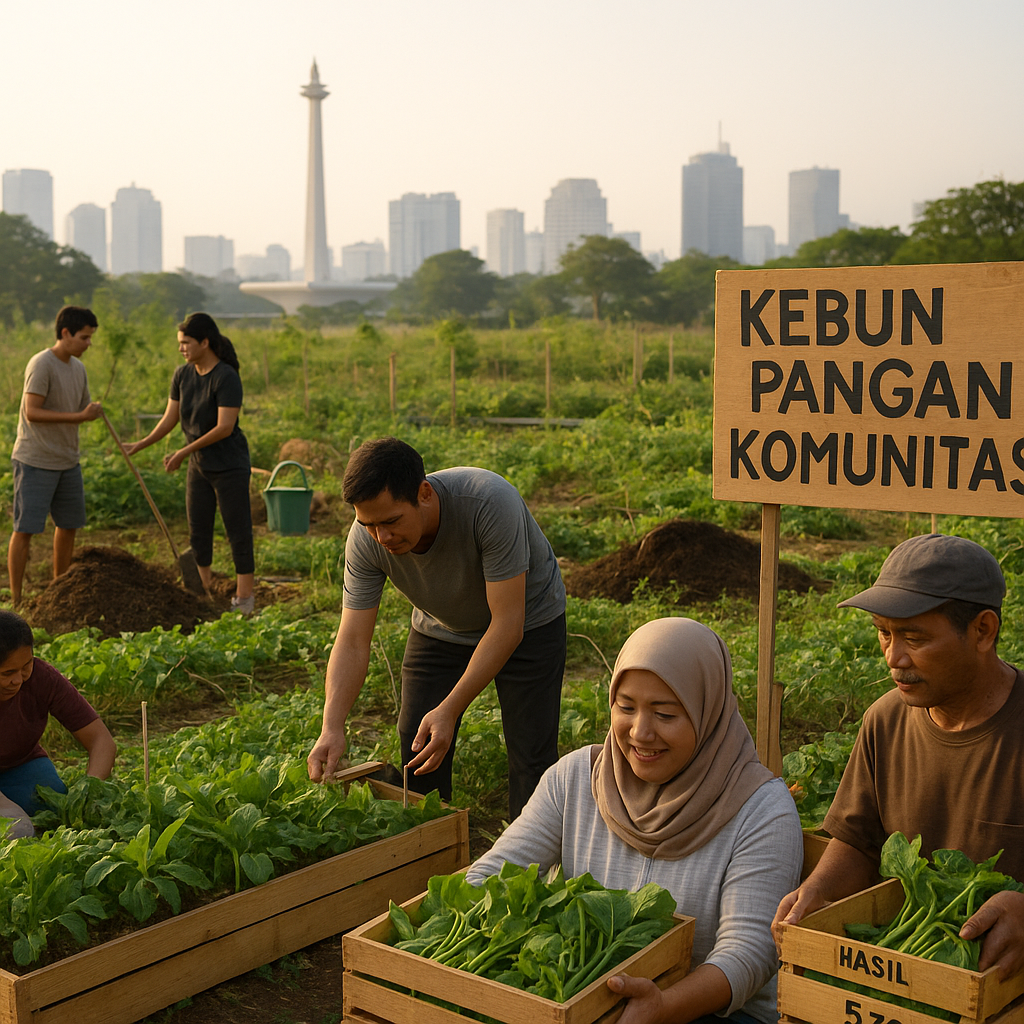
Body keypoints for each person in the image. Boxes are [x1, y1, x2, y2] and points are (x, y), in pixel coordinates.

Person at [467, 617, 802, 1024]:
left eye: (665, 715)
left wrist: (664, 1007)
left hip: (712, 1012)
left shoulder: (760, 809)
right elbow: (490, 875)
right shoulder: (575, 779)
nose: (640, 733)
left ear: (707, 711)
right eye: (625, 707)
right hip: (583, 995)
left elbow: (747, 953)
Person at [772, 533, 1024, 981]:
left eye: (914, 637)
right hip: (907, 971)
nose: (893, 657)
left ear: (983, 631)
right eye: (884, 634)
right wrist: (817, 891)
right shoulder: (885, 720)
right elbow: (859, 841)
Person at [306, 437, 566, 819]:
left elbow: (508, 625)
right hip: (440, 629)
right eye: (370, 525)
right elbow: (352, 639)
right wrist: (332, 725)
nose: (383, 537)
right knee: (418, 749)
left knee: (531, 755)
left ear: (424, 493)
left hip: (528, 622)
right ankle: (429, 845)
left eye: (391, 521)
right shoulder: (366, 540)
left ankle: (532, 862)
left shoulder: (489, 504)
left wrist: (450, 708)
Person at [124, 312, 255, 614]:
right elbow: (170, 418)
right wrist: (142, 444)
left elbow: (224, 426)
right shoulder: (182, 375)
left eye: (186, 342)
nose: (181, 348)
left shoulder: (226, 377)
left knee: (238, 529)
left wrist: (183, 452)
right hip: (200, 464)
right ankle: (202, 591)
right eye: (180, 343)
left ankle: (245, 597)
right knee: (198, 529)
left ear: (205, 342)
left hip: (229, 464)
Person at [7, 305, 103, 606]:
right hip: (36, 459)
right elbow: (32, 412)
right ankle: (17, 598)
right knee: (25, 529)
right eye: (85, 337)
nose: (89, 344)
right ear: (65, 333)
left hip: (67, 460)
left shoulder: (78, 368)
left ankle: (58, 588)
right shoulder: (42, 364)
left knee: (69, 525)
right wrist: (80, 418)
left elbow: (82, 407)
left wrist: (91, 412)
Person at [0, 609, 116, 838]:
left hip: (19, 764)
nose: (18, 680)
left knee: (56, 811)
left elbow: (101, 740)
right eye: (7, 673)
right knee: (17, 831)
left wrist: (89, 789)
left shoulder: (42, 678)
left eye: (26, 666)